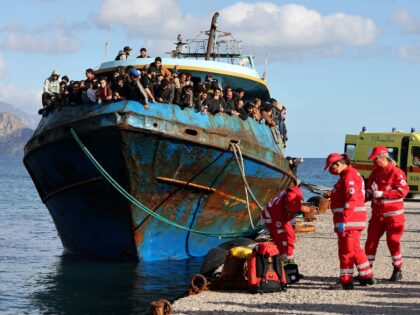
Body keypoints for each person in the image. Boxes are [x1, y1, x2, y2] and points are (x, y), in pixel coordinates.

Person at [324, 153, 374, 290]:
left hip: (349, 221)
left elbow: (351, 200)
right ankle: (366, 276)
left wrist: (344, 221)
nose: (330, 171)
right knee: (355, 248)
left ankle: (346, 281)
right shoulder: (349, 175)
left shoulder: (349, 177)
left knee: (346, 251)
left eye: (331, 167)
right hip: (353, 220)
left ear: (338, 164)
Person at [365, 146, 409, 281]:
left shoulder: (397, 172)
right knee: (370, 242)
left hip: (394, 216)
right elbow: (368, 190)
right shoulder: (375, 173)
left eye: (375, 160)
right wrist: (365, 196)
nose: (374, 163)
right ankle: (366, 271)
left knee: (393, 241)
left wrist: (384, 194)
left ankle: (397, 269)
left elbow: (404, 191)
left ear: (383, 158)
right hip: (377, 216)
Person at [263, 178, 303, 262]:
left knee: (282, 237)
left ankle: (283, 257)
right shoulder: (292, 195)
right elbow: (291, 209)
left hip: (271, 216)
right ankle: (286, 260)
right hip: (275, 217)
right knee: (285, 237)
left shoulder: (284, 193)